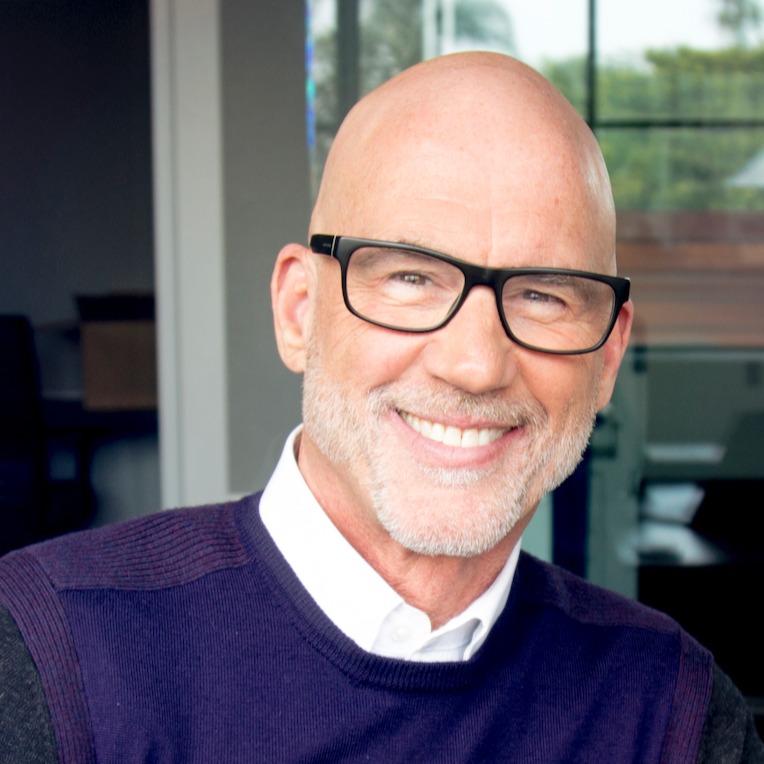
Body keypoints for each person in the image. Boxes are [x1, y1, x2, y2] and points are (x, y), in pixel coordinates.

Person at [1, 52, 761, 763]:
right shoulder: (52, 659)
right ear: (300, 311)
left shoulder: (673, 714)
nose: (475, 365)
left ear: (606, 359)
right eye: (409, 278)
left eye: (542, 295)